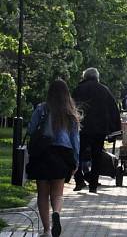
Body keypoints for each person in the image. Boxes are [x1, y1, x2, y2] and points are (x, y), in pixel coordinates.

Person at [27, 79, 80, 237]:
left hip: (42, 153)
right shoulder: (70, 112)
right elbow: (75, 139)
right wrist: (75, 161)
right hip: (62, 155)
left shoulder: (41, 108)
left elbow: (31, 129)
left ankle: (46, 230)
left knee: (42, 193)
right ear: (66, 94)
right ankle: (56, 212)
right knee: (57, 193)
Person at [71, 67, 121, 193]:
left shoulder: (78, 89)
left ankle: (79, 180)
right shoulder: (104, 90)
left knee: (78, 154)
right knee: (96, 156)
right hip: (99, 129)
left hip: (82, 128)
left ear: (85, 77)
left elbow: (71, 107)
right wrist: (115, 130)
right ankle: (93, 185)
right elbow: (113, 109)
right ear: (97, 77)